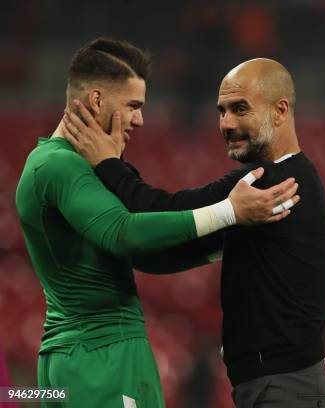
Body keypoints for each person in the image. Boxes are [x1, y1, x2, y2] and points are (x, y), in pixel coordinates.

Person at [15, 38, 299, 408]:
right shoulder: (59, 166)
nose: (140, 119)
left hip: (74, 355)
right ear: (97, 101)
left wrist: (231, 239)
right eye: (133, 106)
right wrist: (228, 212)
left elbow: (146, 252)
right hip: (104, 355)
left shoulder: (55, 164)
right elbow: (125, 233)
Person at [64, 58, 325, 407]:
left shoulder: (267, 183)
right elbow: (173, 249)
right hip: (279, 388)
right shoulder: (271, 191)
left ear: (280, 110)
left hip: (284, 391)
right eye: (221, 111)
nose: (226, 123)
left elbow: (159, 211)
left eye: (239, 109)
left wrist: (108, 162)